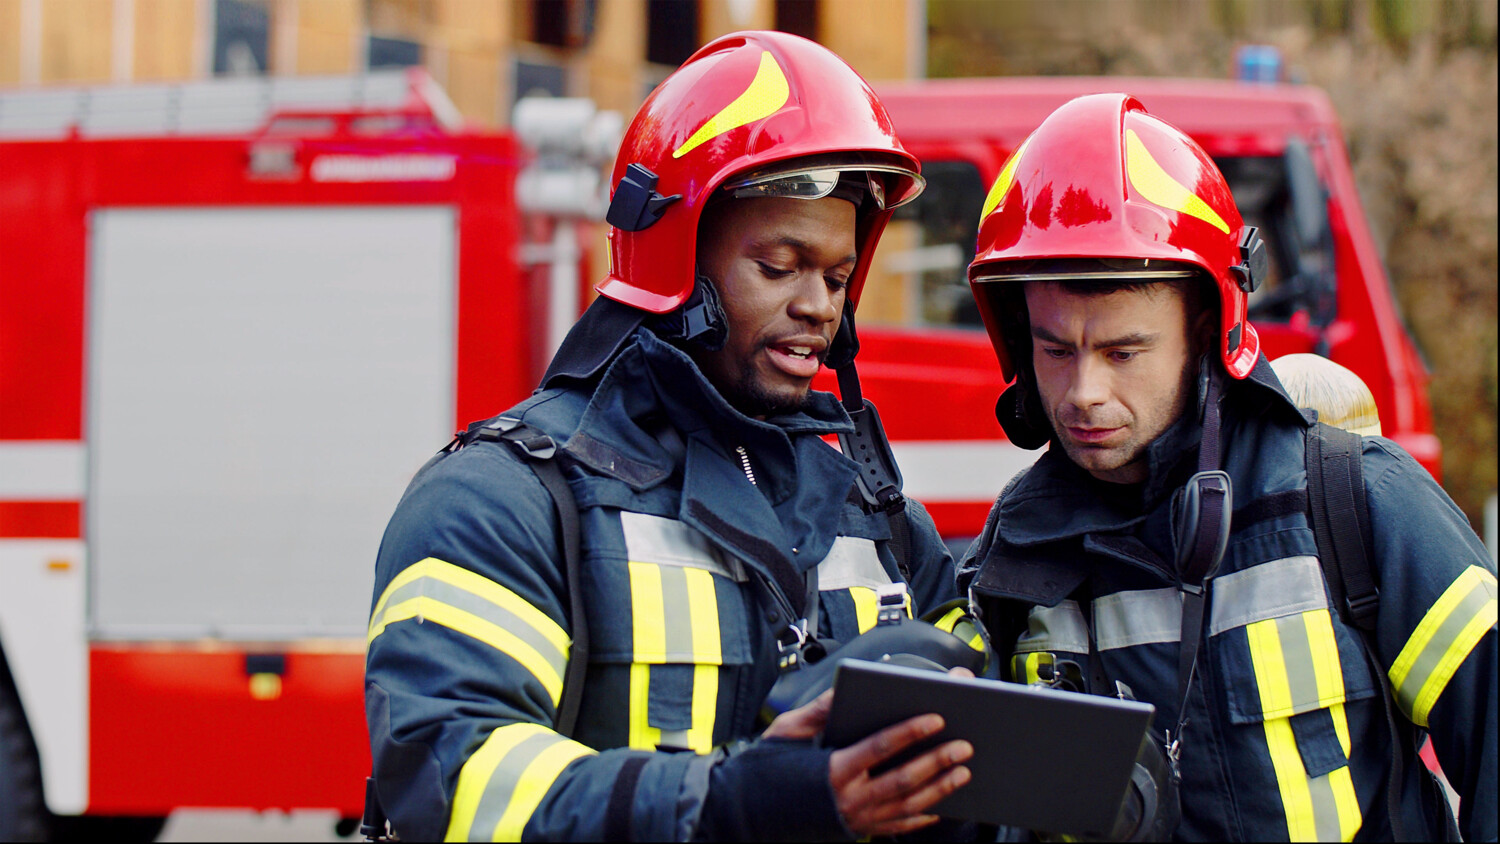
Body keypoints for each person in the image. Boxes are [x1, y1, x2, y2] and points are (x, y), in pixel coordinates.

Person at [365, 31, 980, 842]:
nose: (818, 307)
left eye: (835, 277)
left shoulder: (869, 508)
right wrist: (729, 806)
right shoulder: (501, 502)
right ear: (675, 258)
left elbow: (977, 693)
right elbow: (454, 777)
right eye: (780, 265)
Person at [957, 93, 1495, 841]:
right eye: (1056, 349)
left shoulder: (1355, 503)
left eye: (1123, 352)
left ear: (1207, 331)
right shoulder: (1012, 565)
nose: (1084, 393)